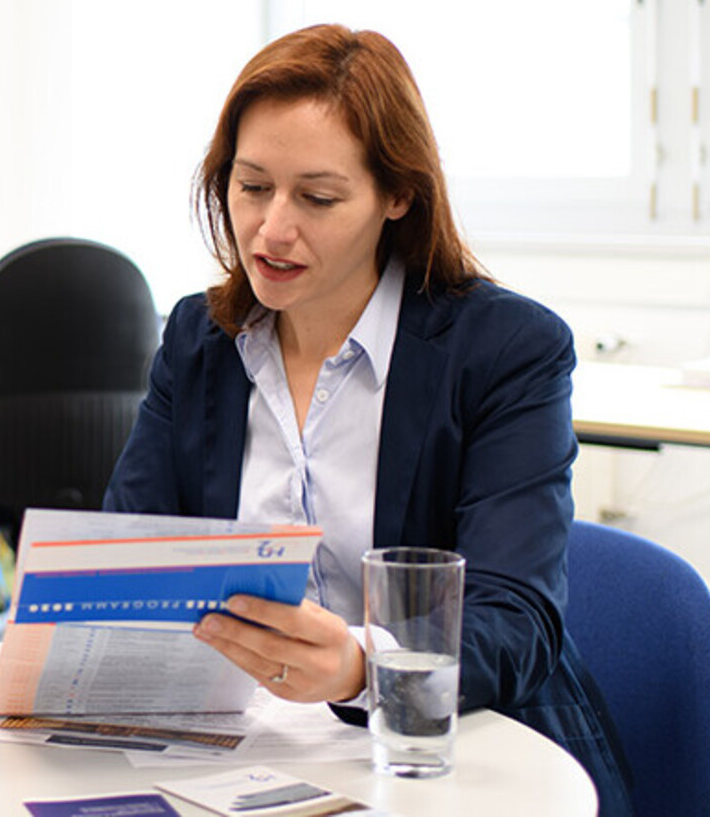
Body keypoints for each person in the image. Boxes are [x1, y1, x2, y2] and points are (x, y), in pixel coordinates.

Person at [101, 24, 632, 816]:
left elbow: (514, 623)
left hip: (451, 755)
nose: (272, 230)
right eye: (251, 187)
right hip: (248, 756)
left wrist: (361, 666)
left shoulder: (505, 351)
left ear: (397, 194)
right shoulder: (199, 339)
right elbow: (125, 559)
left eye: (317, 198)